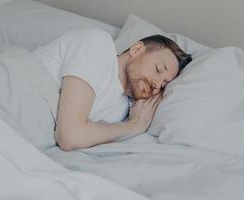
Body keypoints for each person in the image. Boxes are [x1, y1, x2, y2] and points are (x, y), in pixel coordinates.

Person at [34, 28, 192, 151]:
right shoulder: (98, 45)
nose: (157, 85)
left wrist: (133, 123)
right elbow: (69, 137)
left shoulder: (122, 110)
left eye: (164, 85)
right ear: (136, 49)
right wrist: (134, 125)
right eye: (158, 69)